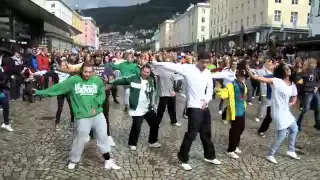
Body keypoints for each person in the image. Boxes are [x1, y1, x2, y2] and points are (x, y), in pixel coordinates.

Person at [33, 62, 121, 170]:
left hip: (97, 113)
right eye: (85, 72)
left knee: (103, 137)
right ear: (81, 71)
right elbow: (58, 88)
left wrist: (96, 104)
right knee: (81, 138)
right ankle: (74, 160)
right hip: (82, 115)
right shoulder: (74, 80)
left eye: (90, 72)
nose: (87, 74)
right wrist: (40, 92)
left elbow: (101, 93)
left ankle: (108, 161)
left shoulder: (97, 80)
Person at [151, 52, 221, 171]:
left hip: (204, 106)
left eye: (207, 62)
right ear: (198, 60)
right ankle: (183, 158)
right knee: (192, 133)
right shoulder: (188, 69)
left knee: (206, 132)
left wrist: (207, 100)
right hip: (193, 106)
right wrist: (156, 62)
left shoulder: (208, 73)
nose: (205, 64)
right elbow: (171, 66)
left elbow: (210, 90)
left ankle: (209, 156)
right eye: (203, 62)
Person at [247, 62, 300, 164]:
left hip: (286, 111)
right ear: (282, 71)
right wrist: (251, 74)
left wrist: (292, 102)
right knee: (282, 135)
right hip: (278, 112)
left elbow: (295, 95)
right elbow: (261, 79)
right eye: (285, 68)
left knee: (294, 128)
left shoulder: (292, 83)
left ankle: (291, 150)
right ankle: (270, 154)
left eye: (288, 68)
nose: (288, 69)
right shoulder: (277, 81)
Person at [108, 64, 161, 151]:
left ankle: (152, 141)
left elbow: (154, 91)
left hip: (147, 107)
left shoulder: (151, 80)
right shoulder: (134, 78)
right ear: (141, 71)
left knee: (155, 124)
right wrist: (111, 82)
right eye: (144, 71)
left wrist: (154, 102)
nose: (146, 73)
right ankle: (132, 143)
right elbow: (123, 80)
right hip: (137, 108)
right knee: (137, 126)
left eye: (148, 72)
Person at [215, 60, 248, 159]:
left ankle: (235, 145)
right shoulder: (231, 85)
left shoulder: (243, 84)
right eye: (241, 76)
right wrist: (218, 88)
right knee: (235, 130)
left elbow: (244, 94)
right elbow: (223, 94)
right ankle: (230, 150)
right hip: (235, 111)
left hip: (242, 109)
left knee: (241, 128)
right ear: (237, 76)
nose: (242, 78)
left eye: (243, 77)